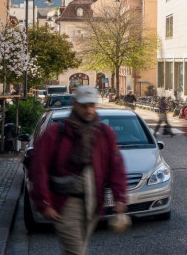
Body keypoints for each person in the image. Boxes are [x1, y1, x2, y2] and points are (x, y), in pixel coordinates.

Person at [29, 85, 128, 254]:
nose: (89, 110)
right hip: (65, 202)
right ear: (74, 104)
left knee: (77, 249)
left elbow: (116, 167)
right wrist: (44, 202)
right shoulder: (56, 132)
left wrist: (120, 198)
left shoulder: (104, 133)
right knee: (76, 252)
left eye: (92, 105)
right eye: (84, 106)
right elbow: (39, 168)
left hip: (93, 202)